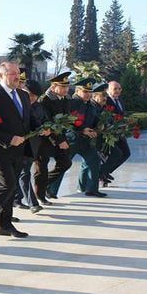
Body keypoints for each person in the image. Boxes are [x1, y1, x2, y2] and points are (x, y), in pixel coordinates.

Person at [0, 62, 49, 238]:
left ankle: (5, 225)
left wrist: (41, 128)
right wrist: (8, 138)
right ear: (1, 75)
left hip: (19, 150)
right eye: (13, 74)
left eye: (18, 73)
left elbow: (29, 119)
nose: (17, 77)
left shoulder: (23, 95)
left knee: (12, 187)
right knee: (6, 185)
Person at [36, 72, 73, 203]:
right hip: (45, 139)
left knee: (66, 162)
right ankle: (40, 196)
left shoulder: (67, 98)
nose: (66, 90)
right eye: (62, 87)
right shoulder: (44, 100)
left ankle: (42, 185)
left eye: (67, 87)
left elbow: (64, 120)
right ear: (53, 87)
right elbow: (47, 122)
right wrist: (59, 140)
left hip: (60, 137)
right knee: (41, 168)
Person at [67, 80, 108, 197]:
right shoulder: (72, 103)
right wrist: (82, 130)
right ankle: (50, 191)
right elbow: (66, 122)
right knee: (63, 164)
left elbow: (93, 120)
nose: (88, 94)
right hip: (72, 140)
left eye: (90, 92)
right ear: (78, 91)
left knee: (94, 160)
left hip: (86, 141)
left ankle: (92, 189)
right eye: (85, 91)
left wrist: (98, 128)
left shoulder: (89, 104)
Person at [16, 79, 48, 214]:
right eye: (29, 94)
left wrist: (46, 129)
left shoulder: (38, 107)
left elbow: (45, 121)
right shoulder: (16, 104)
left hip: (32, 145)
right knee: (23, 173)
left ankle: (17, 199)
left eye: (35, 96)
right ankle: (33, 203)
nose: (32, 98)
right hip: (16, 144)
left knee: (21, 172)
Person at [100, 81, 129, 184]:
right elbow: (104, 116)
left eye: (119, 89)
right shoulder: (105, 100)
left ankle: (105, 172)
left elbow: (121, 114)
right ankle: (102, 173)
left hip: (119, 132)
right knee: (114, 154)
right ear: (108, 90)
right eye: (115, 89)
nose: (117, 91)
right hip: (109, 133)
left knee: (126, 153)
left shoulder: (120, 99)